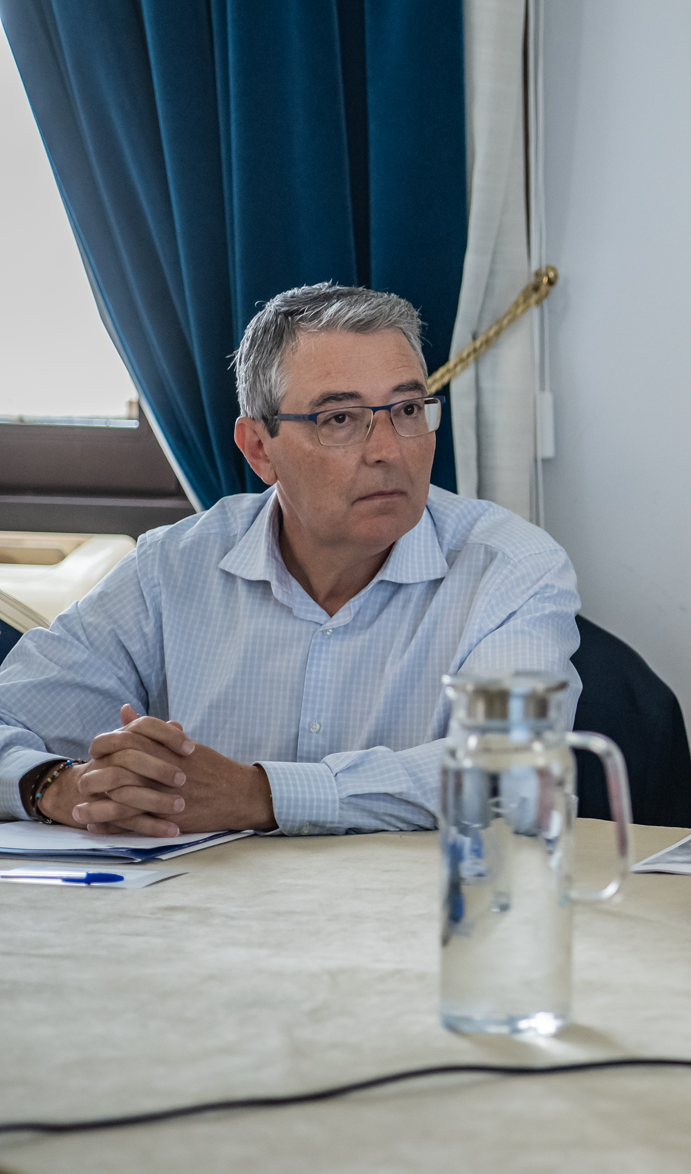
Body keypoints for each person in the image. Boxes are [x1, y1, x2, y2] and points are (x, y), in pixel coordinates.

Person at [0, 284, 581, 837]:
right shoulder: (171, 569)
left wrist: (259, 795)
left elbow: (516, 772)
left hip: (417, 924)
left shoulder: (509, 567)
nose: (387, 451)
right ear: (259, 448)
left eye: (407, 410)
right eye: (339, 419)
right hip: (200, 922)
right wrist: (57, 787)